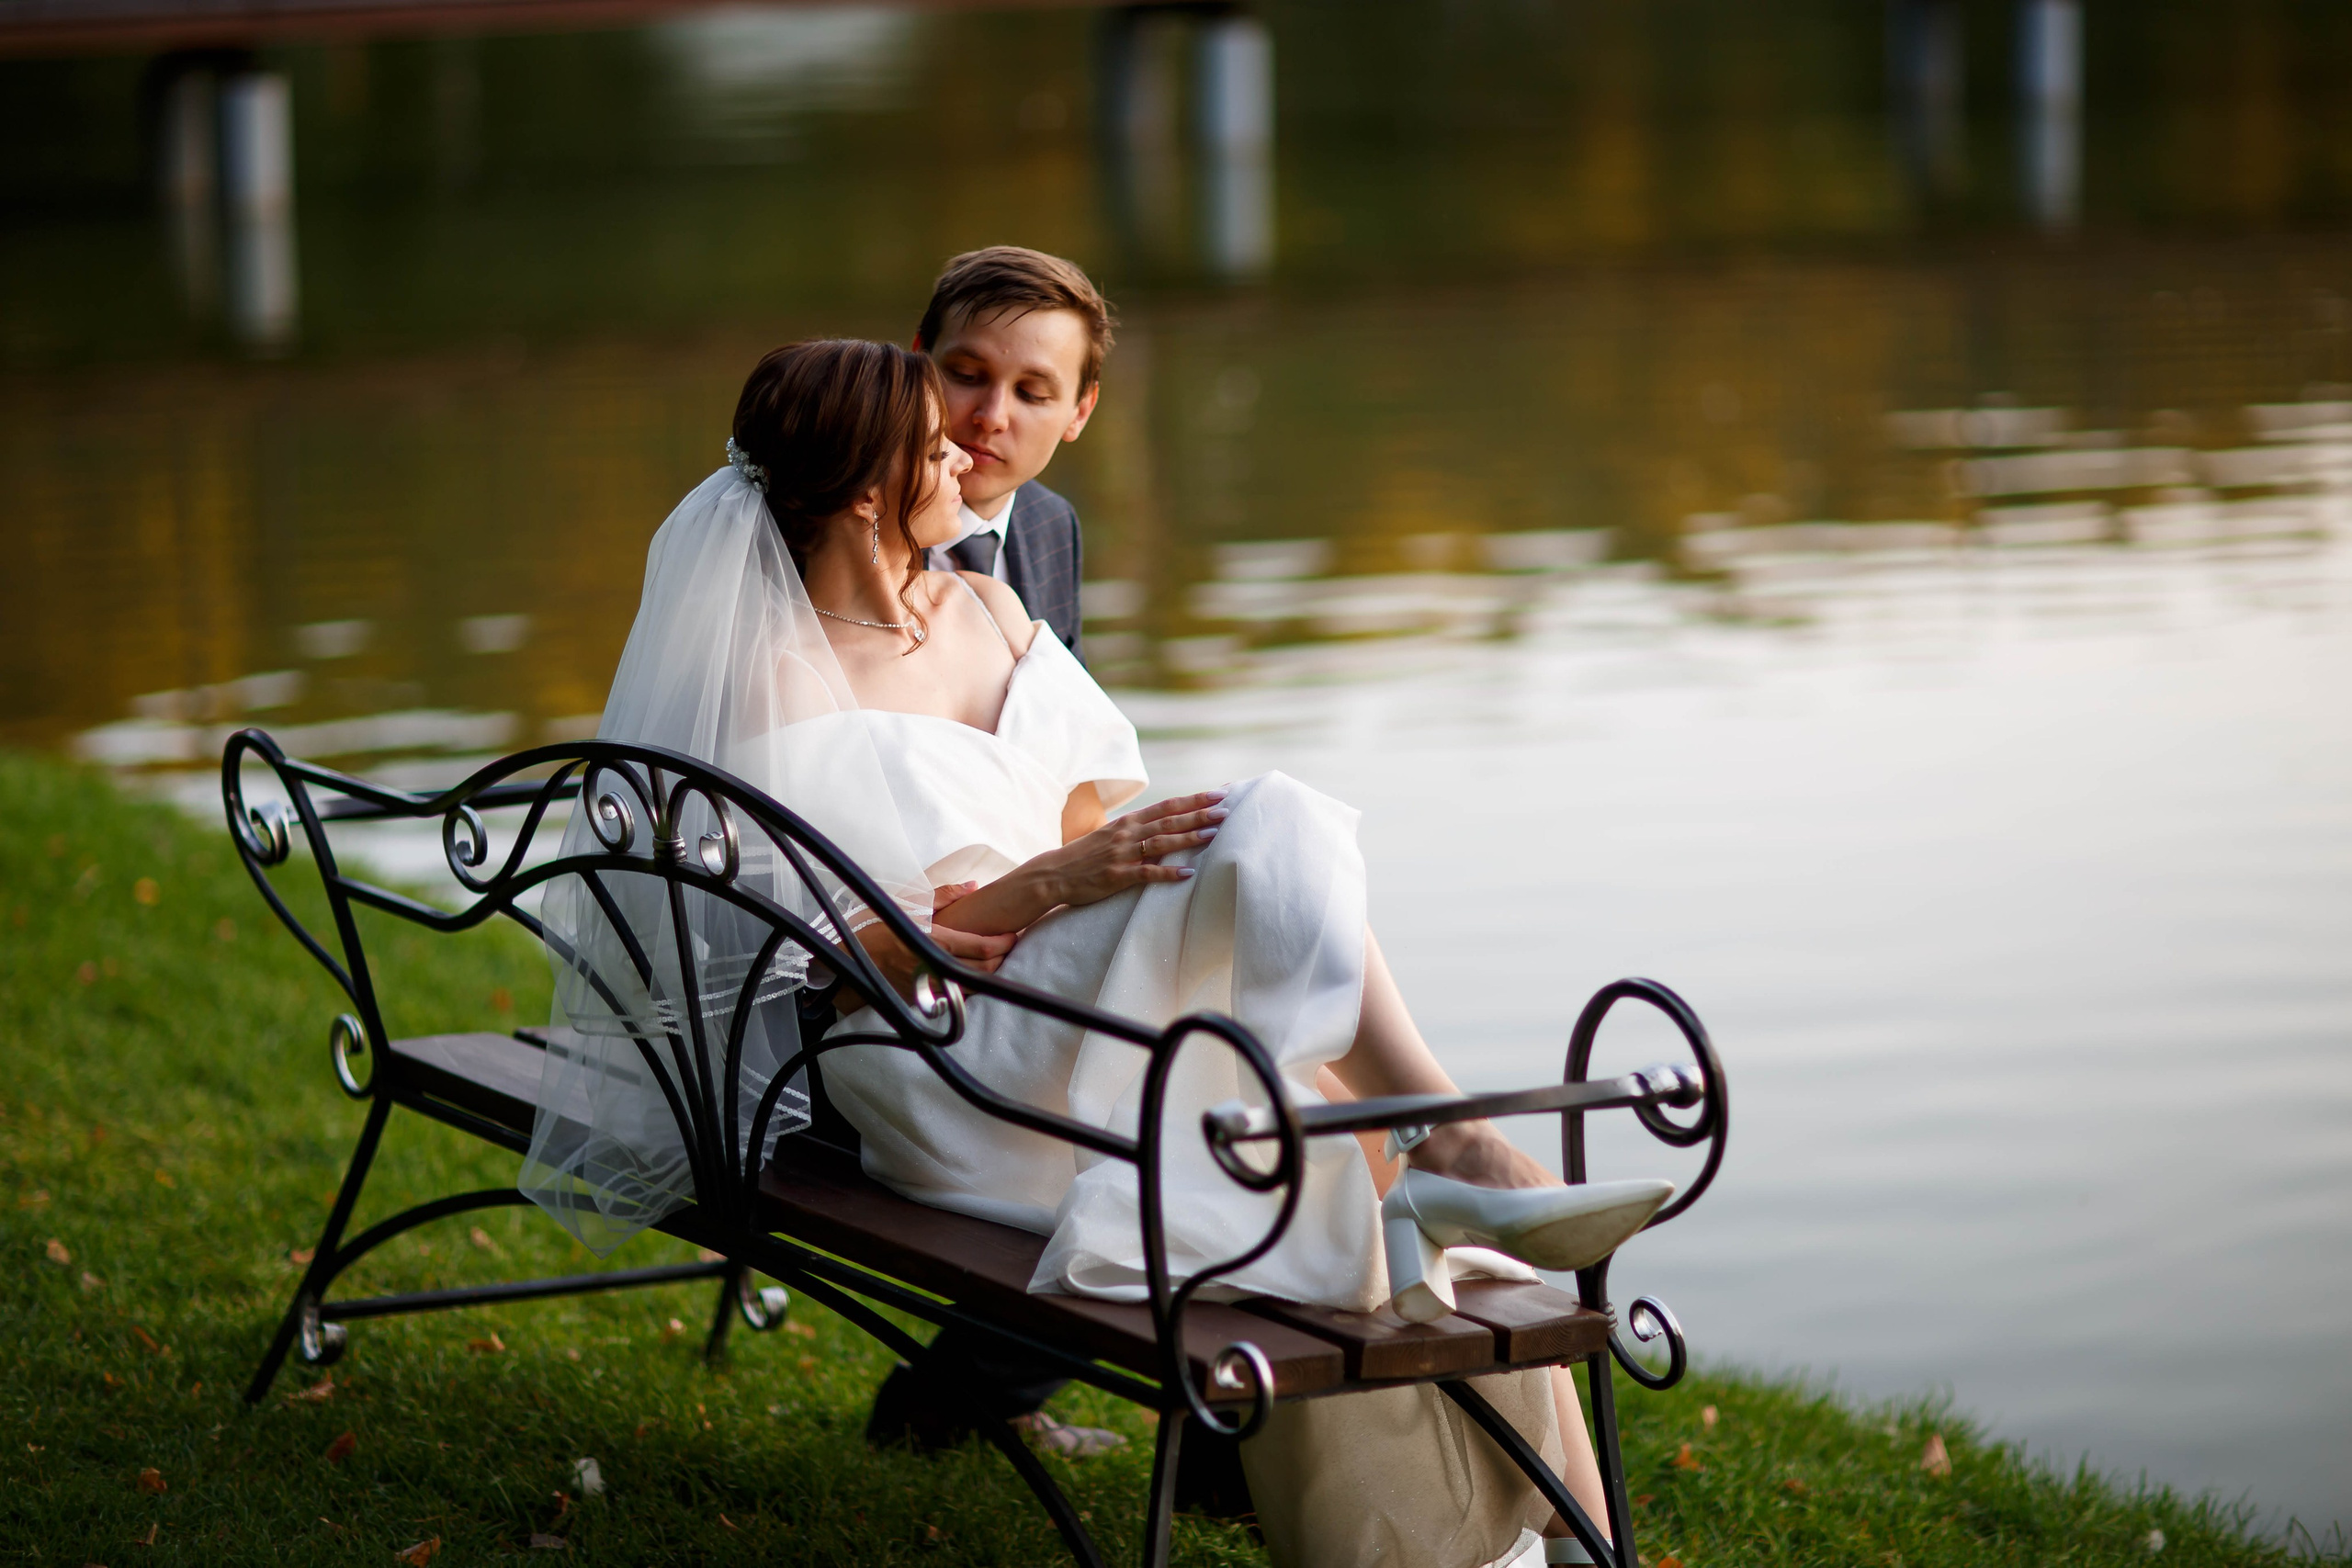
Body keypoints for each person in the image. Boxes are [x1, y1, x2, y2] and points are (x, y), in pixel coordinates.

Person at [531, 339, 1672, 1568]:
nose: (964, 458)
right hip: (942, 1053)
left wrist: (1093, 877)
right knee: (1283, 880)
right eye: (933, 448)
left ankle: (1581, 1532)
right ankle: (1440, 1136)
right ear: (865, 492)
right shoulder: (769, 675)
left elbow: (1095, 816)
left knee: (1295, 931)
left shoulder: (987, 608)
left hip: (1082, 996)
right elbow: (835, 961)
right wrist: (1052, 885)